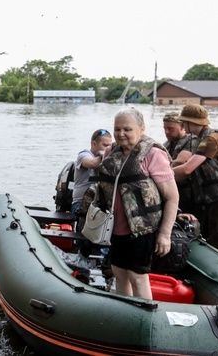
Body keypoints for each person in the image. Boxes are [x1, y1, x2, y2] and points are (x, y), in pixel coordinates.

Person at [93, 108, 178, 299]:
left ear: (141, 129)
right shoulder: (110, 151)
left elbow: (172, 197)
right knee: (119, 273)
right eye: (117, 129)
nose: (121, 134)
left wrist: (165, 235)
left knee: (137, 276)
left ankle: (143, 319)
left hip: (142, 229)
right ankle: (126, 315)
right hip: (115, 228)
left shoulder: (153, 154)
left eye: (127, 129)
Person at [172, 104, 218, 251]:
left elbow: (188, 169)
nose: (182, 125)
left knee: (217, 241)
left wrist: (162, 174)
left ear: (191, 122)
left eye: (184, 121)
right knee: (208, 236)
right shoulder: (201, 139)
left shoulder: (211, 140)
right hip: (212, 198)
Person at [161, 111, 199, 214]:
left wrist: (158, 169)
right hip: (171, 190)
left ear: (182, 126)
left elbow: (180, 162)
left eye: (171, 128)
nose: (167, 132)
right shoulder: (166, 144)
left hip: (189, 194)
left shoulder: (191, 141)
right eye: (165, 128)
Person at [71, 128, 112, 222]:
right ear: (94, 144)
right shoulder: (83, 155)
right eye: (105, 145)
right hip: (80, 204)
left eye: (110, 146)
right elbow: (93, 164)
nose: (108, 149)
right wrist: (108, 154)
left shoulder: (108, 157)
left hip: (98, 205)